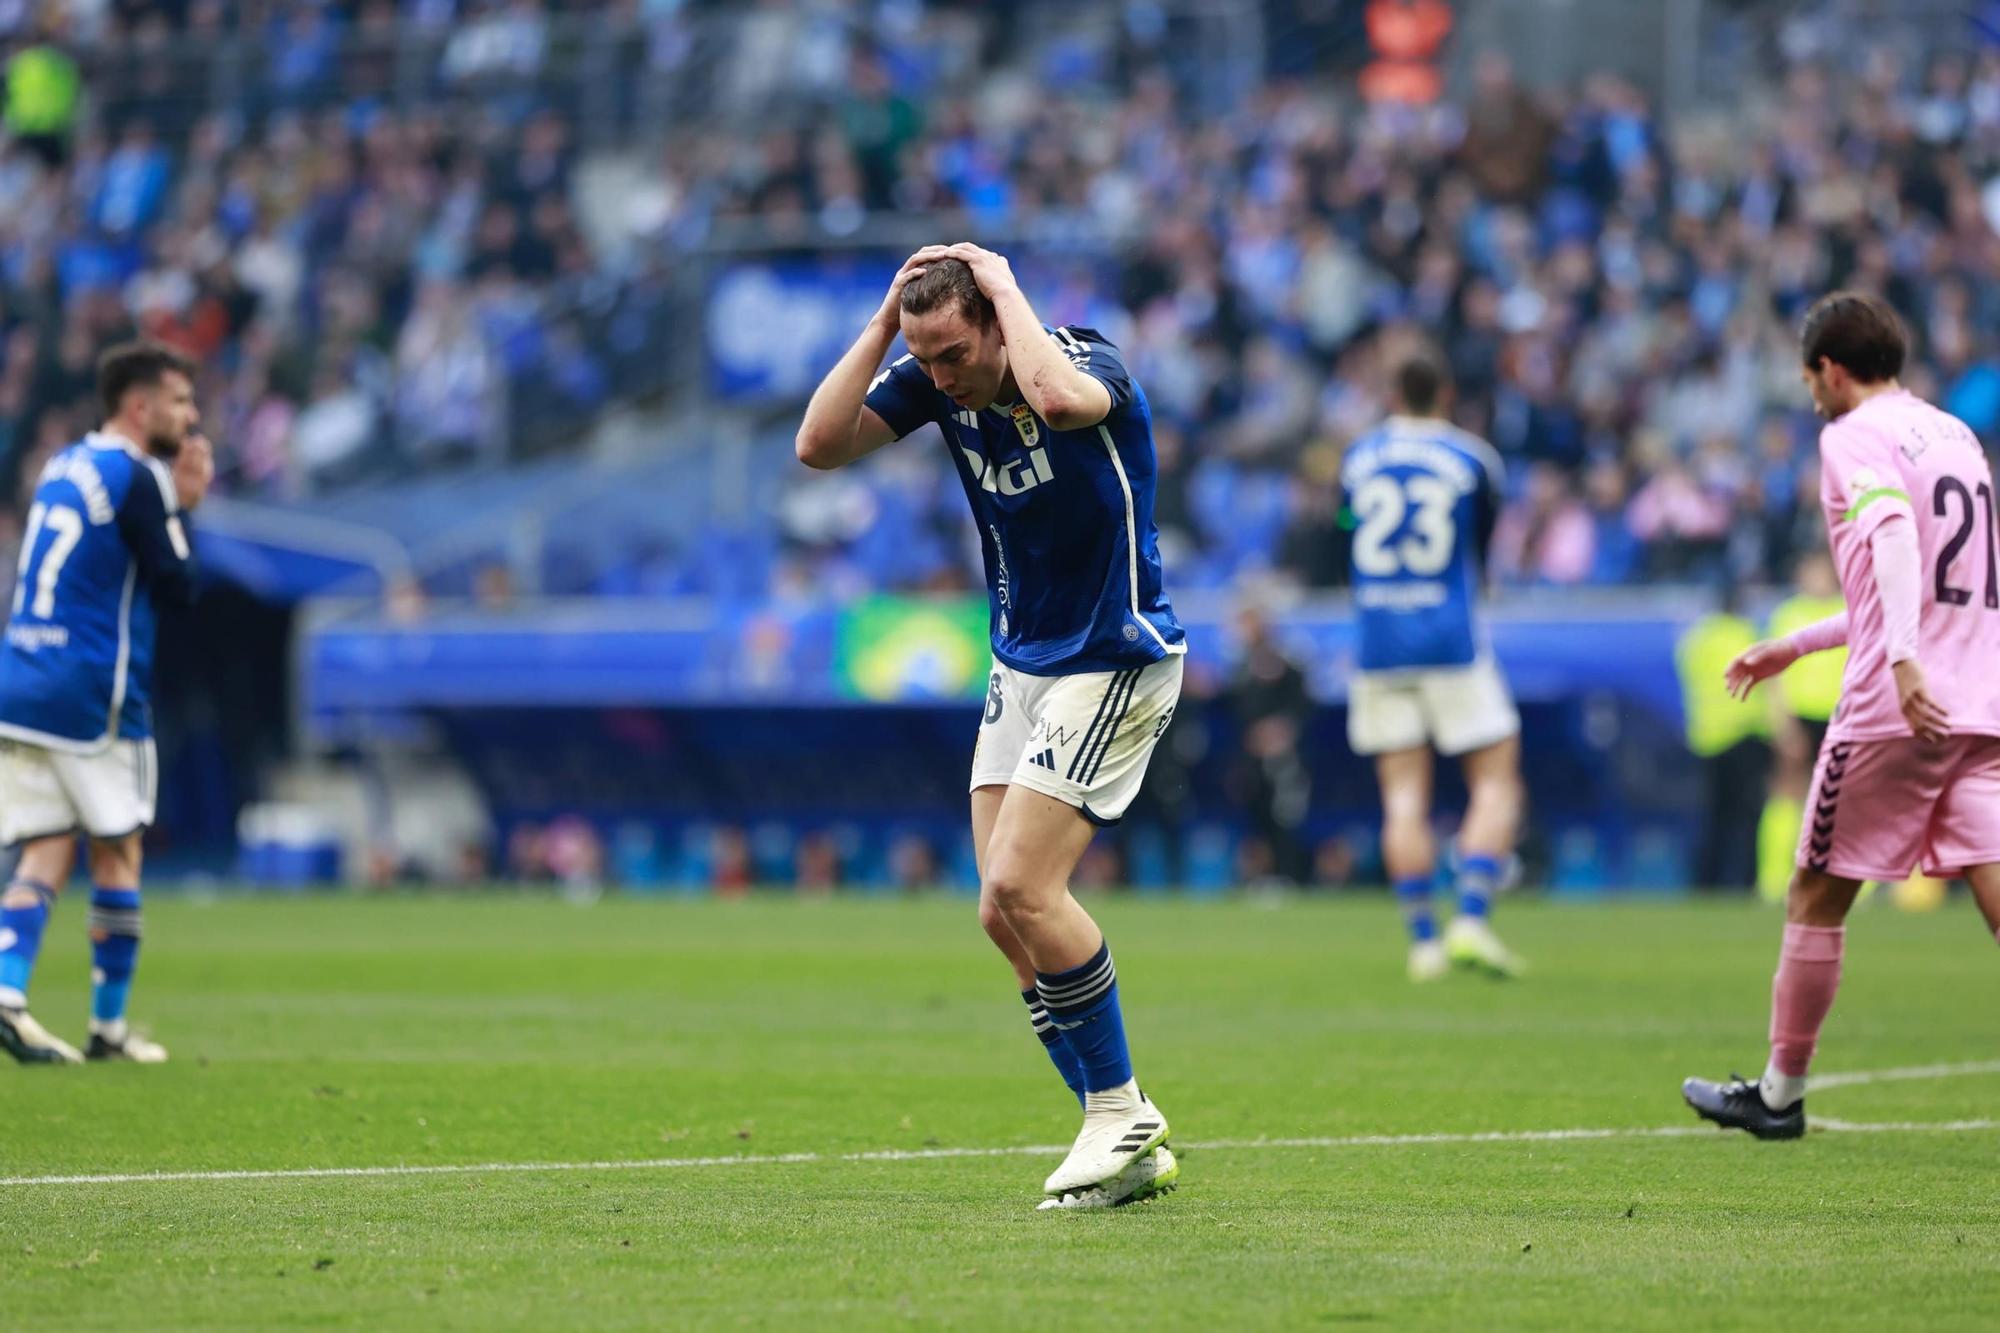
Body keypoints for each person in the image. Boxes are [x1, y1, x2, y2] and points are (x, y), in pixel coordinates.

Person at [796, 245, 1186, 1208]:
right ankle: (1119, 1117)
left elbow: (1059, 407)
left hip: (1113, 654)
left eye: (952, 354)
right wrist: (890, 321)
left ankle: (1118, 1116)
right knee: (998, 913)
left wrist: (1005, 285)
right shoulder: (939, 384)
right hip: (1024, 664)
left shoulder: (1087, 362)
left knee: (1022, 880)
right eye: (924, 361)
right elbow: (819, 444)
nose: (939, 378)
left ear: (994, 321)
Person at [1684, 292, 2000, 1139]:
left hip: (1899, 708)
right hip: (1982, 698)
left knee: (1816, 891)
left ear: (1829, 368)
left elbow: (1894, 541)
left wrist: (1899, 659)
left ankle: (1779, 1096)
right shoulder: (1954, 436)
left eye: (1808, 377)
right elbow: (1927, 583)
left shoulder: (1852, 436)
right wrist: (1795, 646)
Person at [0, 342, 213, 1064]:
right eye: (181, 401)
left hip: (23, 674)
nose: (192, 417)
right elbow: (180, 588)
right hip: (94, 688)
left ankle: (6, 989)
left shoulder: (63, 464)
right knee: (119, 846)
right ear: (139, 405)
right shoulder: (138, 475)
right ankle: (110, 1030)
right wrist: (186, 506)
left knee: (50, 841)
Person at [1341, 341, 1525, 981]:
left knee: (1402, 800)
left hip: (1379, 642)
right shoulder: (1473, 458)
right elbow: (1484, 547)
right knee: (1497, 780)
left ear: (1392, 397)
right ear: (1446, 395)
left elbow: (1345, 526)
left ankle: (1423, 943)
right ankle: (1470, 918)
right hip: (1451, 640)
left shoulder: (1358, 457)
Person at [1757, 552, 1846, 901]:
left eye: (1822, 572)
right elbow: (1773, 675)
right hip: (1799, 715)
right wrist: (1782, 724)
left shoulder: (1850, 608)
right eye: (1810, 572)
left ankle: (1853, 882)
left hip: (1841, 715)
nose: (1817, 579)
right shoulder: (1786, 615)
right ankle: (1773, 880)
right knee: (1788, 790)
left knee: (1846, 798)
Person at [1676, 581, 1771, 891]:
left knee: (1712, 816)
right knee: (1747, 816)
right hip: (1746, 733)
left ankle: (1705, 883)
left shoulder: (1697, 638)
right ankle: (1746, 882)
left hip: (1706, 737)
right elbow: (1766, 686)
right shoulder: (1746, 634)